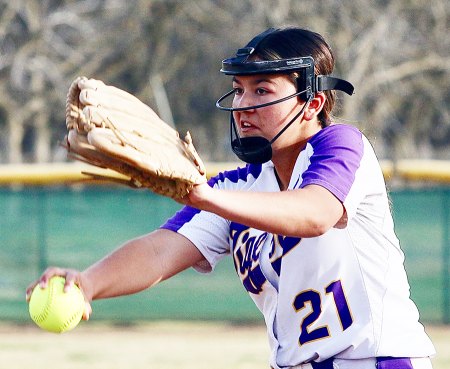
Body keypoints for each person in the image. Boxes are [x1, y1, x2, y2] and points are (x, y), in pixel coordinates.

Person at [26, 27, 435, 369]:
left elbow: (316, 213)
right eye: (239, 90)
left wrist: (204, 196)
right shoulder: (234, 186)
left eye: (262, 91)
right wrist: (89, 282)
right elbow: (159, 252)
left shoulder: (341, 146)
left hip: (380, 361)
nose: (243, 106)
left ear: (313, 102)